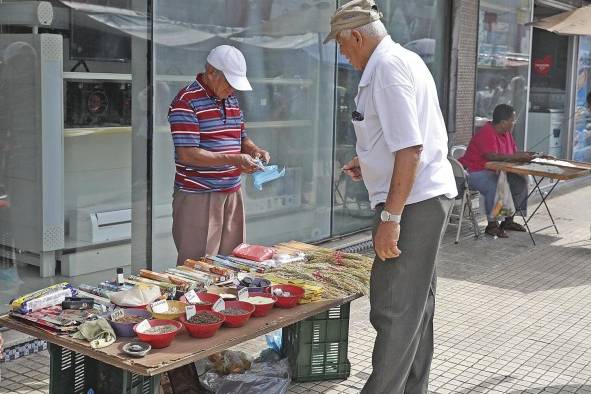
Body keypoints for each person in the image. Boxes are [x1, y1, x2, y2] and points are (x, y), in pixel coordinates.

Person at [324, 1, 457, 392]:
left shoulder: (387, 69)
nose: (342, 52)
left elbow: (411, 148)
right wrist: (368, 161)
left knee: (394, 308)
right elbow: (401, 140)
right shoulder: (402, 61)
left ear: (357, 35)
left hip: (414, 205)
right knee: (416, 307)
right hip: (420, 200)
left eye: (342, 44)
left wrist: (390, 220)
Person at [168, 45, 270, 265]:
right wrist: (234, 159)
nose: (233, 89)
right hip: (199, 195)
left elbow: (241, 137)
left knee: (235, 262)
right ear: (211, 73)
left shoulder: (230, 99)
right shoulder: (186, 102)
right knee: (199, 267)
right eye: (229, 82)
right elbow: (187, 154)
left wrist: (254, 150)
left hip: (232, 192)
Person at [459, 104, 530, 238]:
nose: (514, 123)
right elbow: (490, 156)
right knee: (496, 183)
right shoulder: (486, 132)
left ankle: (508, 219)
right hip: (473, 172)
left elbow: (513, 153)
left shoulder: (507, 134)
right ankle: (492, 224)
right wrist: (515, 157)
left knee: (520, 180)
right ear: (503, 123)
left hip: (496, 170)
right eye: (512, 120)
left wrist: (530, 155)